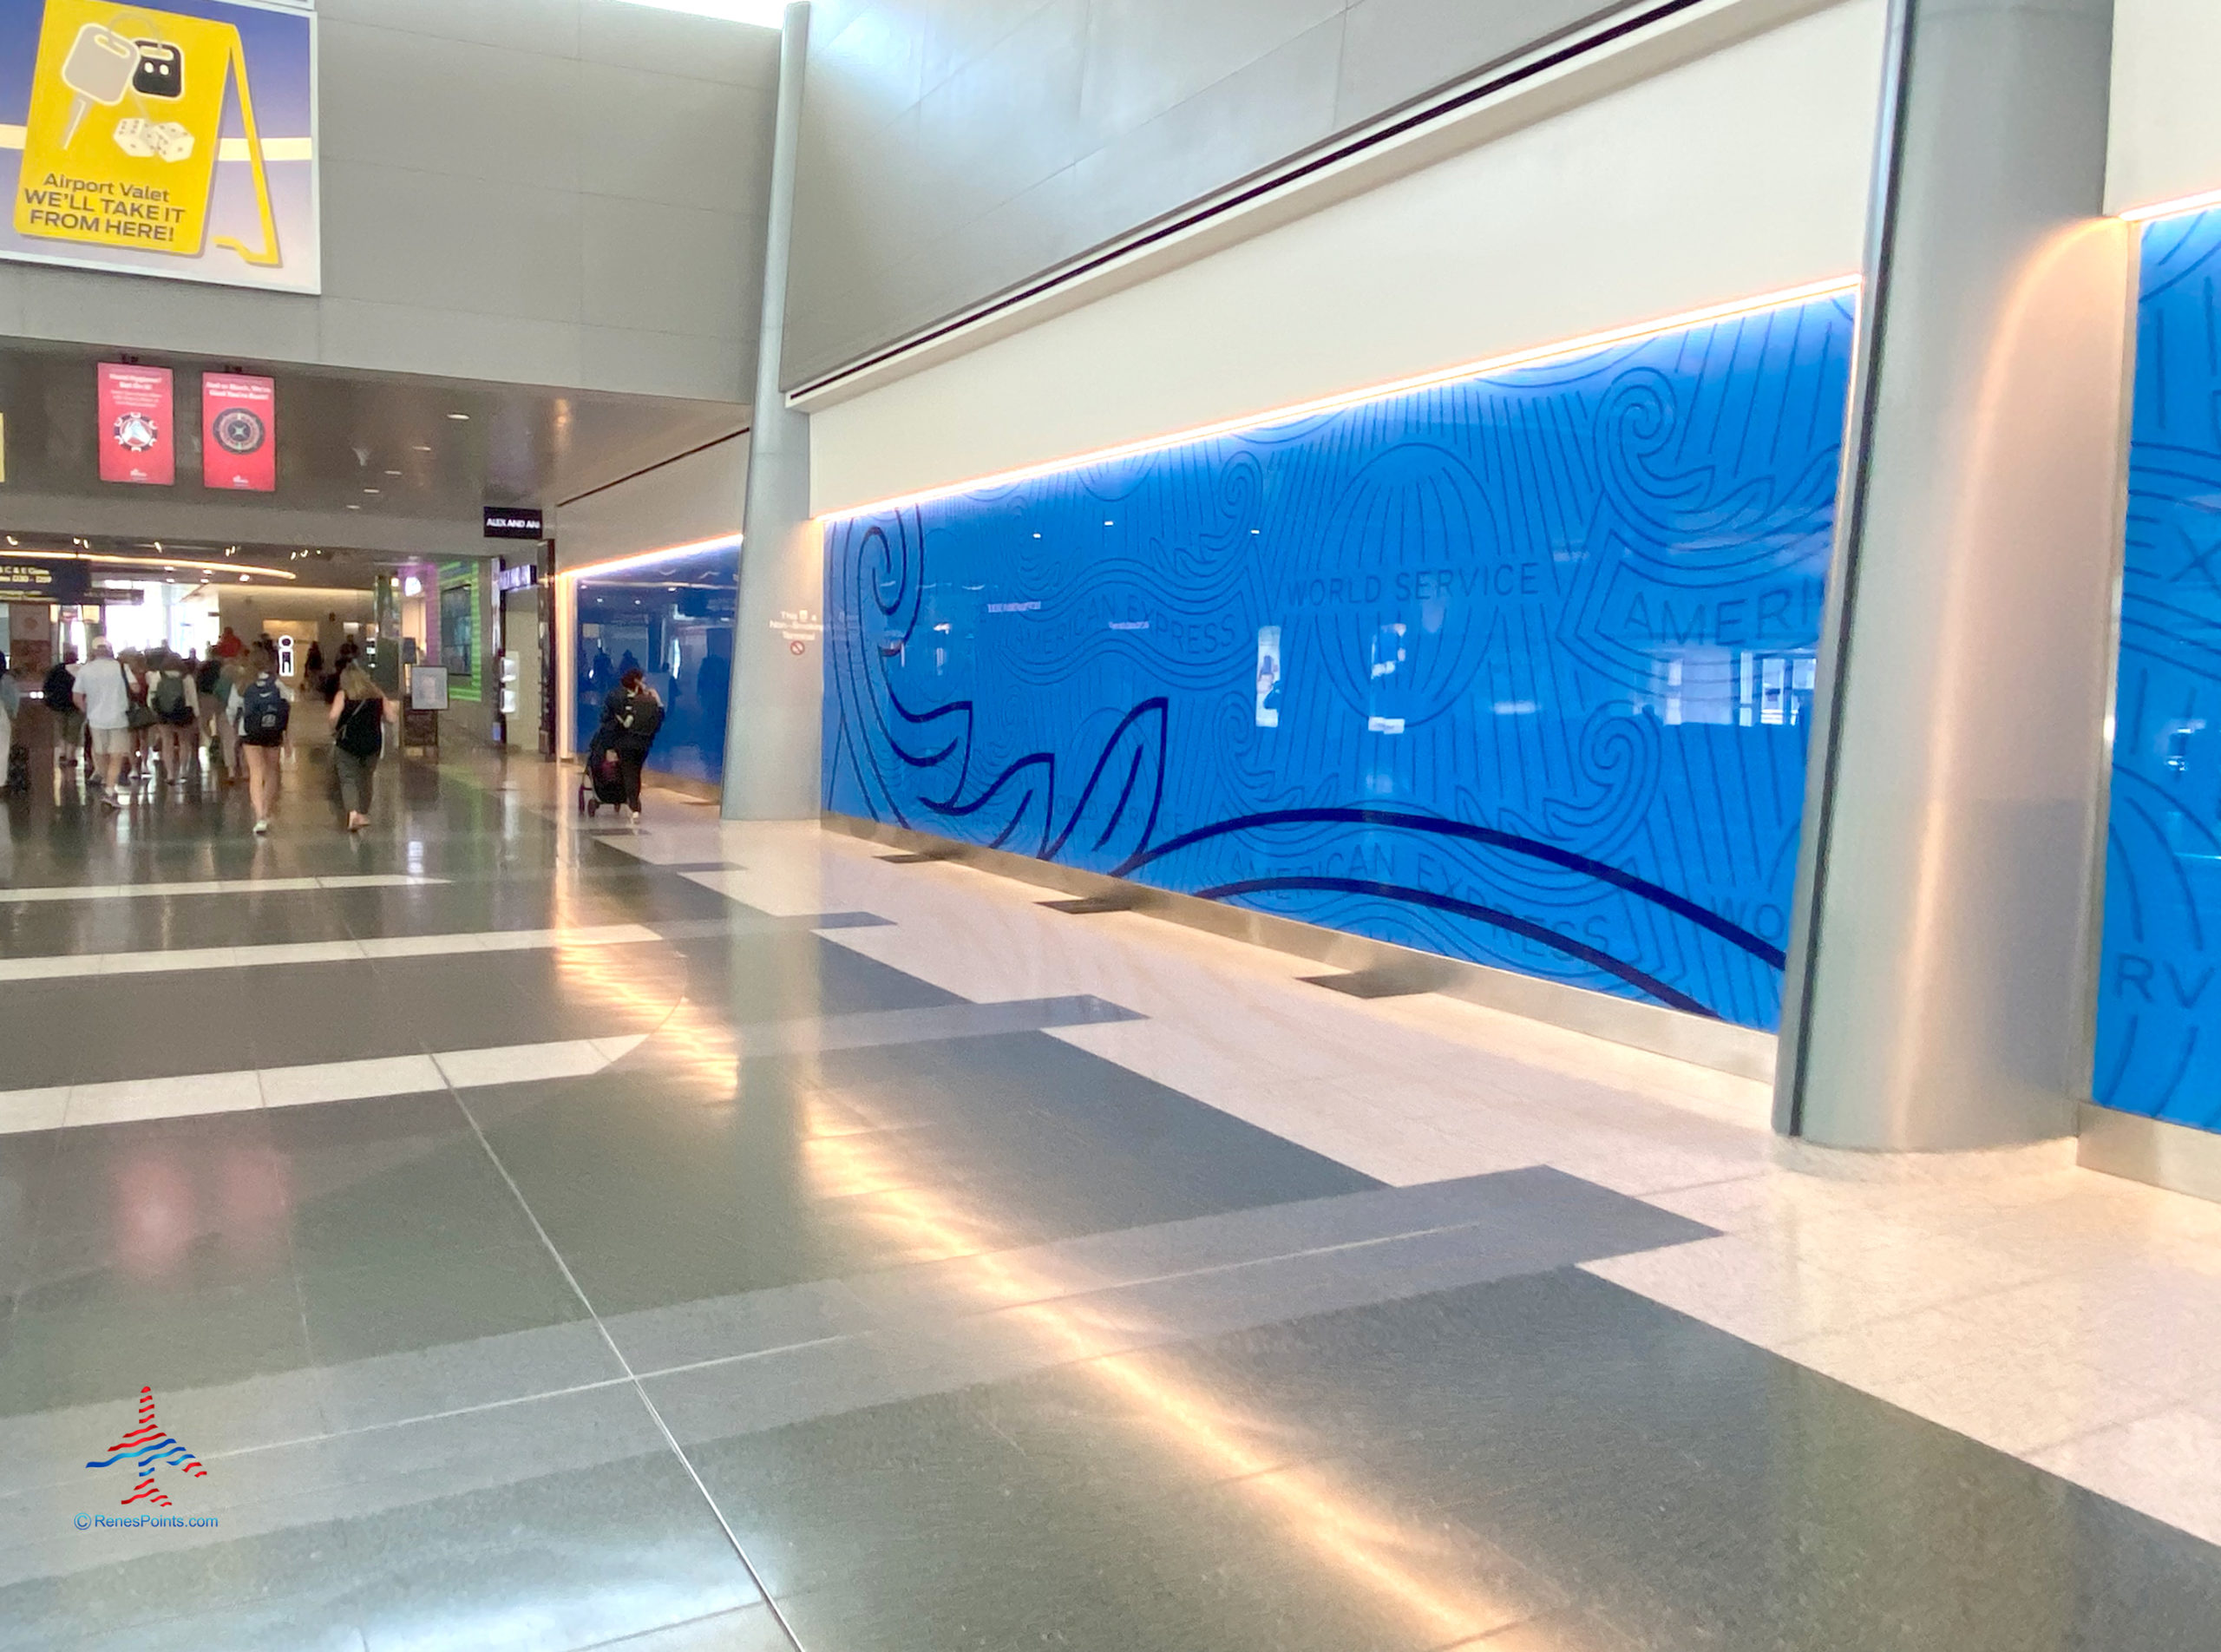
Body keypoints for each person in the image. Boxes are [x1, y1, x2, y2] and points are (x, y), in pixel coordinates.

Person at [226, 641, 293, 835]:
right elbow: (287, 707)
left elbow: (232, 710)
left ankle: (259, 816)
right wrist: (287, 736)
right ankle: (267, 808)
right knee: (272, 770)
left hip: (250, 732)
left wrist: (235, 726)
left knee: (256, 772)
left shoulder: (242, 684)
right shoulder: (277, 684)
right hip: (273, 732)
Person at [326, 661, 394, 833]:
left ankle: (353, 813)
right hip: (373, 743)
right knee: (366, 778)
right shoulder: (378, 695)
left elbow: (333, 716)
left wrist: (334, 728)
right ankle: (363, 813)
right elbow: (392, 717)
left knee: (348, 779)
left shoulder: (343, 695)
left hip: (347, 743)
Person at [596, 666, 664, 825]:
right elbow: (659, 717)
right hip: (644, 744)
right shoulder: (647, 700)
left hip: (625, 743)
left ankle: (632, 803)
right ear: (637, 681)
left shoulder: (618, 696)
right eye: (643, 680)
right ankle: (633, 801)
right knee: (635, 772)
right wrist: (658, 700)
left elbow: (610, 719)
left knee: (628, 772)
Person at [72, 641, 133, 809]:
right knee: (117, 755)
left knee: (101, 754)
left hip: (96, 720)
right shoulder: (121, 668)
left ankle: (108, 784)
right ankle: (110, 790)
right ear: (110, 650)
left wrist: (87, 711)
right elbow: (135, 688)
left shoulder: (85, 670)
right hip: (118, 718)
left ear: (93, 651)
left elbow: (77, 697)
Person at [148, 650, 198, 785]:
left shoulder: (158, 675)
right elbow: (193, 698)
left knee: (167, 742)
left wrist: (154, 710)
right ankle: (183, 770)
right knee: (184, 742)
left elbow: (152, 696)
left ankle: (170, 774)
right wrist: (196, 715)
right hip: (183, 712)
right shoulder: (186, 677)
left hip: (163, 713)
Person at [43, 651, 81, 768]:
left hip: (58, 705)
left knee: (61, 729)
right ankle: (71, 755)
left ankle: (63, 752)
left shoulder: (55, 671)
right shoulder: (82, 670)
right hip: (77, 705)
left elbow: (47, 687)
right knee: (74, 730)